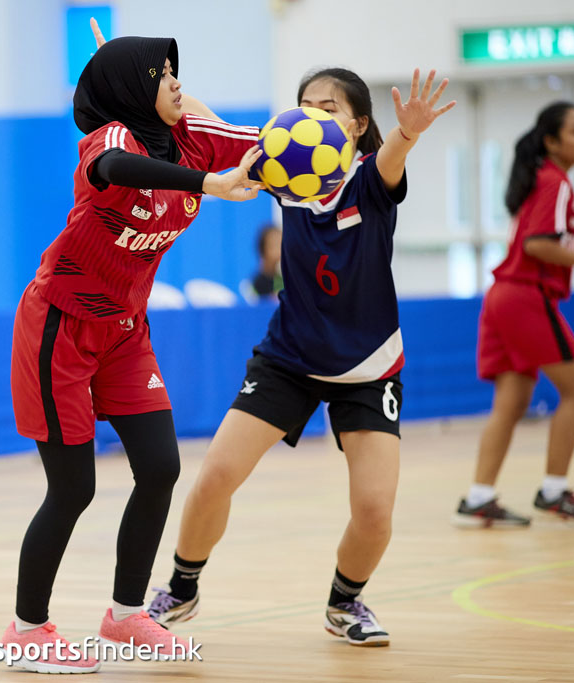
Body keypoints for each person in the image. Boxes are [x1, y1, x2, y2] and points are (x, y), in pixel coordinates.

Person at [145, 67, 455, 648]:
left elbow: (391, 158)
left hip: (368, 367)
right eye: (306, 103)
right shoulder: (283, 167)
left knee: (374, 512)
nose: (314, 114)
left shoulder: (370, 178)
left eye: (330, 107)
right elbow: (206, 120)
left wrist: (407, 135)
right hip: (289, 357)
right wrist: (148, 81)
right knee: (213, 478)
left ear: (359, 125)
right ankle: (181, 590)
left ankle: (346, 603)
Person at [1, 32, 264, 673]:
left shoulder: (194, 136)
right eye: (164, 72)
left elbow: (267, 145)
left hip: (125, 330)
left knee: (161, 467)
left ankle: (125, 617)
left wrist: (362, 146)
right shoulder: (110, 139)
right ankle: (25, 629)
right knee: (73, 489)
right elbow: (116, 171)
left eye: (178, 71)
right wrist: (211, 183)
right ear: (129, 88)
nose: (177, 82)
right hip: (60, 324)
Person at [454, 102, 574, 527]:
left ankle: (478, 497)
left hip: (503, 296)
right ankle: (554, 491)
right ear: (551, 141)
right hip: (525, 297)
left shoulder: (542, 181)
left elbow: (555, 237)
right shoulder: (556, 183)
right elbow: (537, 245)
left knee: (511, 402)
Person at [251, 223, 282, 299]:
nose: (279, 252)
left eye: (282, 245)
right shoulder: (253, 286)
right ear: (262, 252)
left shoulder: (290, 281)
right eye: (274, 246)